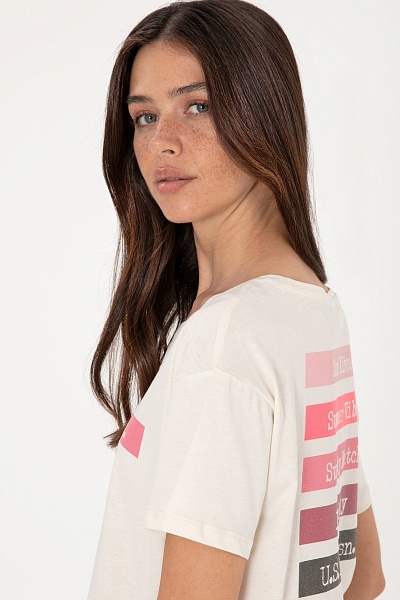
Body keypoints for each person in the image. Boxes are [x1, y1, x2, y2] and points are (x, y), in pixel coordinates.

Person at [87, 1, 385, 598]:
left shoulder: (224, 341)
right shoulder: (313, 308)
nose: (162, 143)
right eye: (145, 116)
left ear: (264, 113)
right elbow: (362, 575)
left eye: (197, 106)